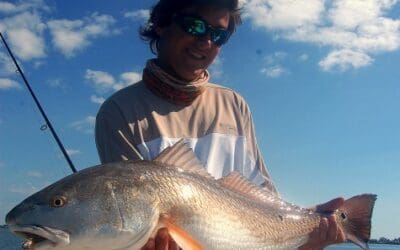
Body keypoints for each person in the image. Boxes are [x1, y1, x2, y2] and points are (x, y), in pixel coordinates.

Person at [95, 0, 346, 249]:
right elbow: (128, 219)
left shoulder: (234, 104)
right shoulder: (119, 112)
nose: (206, 42)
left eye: (219, 35)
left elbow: (263, 204)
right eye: (194, 26)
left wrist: (313, 219)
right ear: (161, 24)